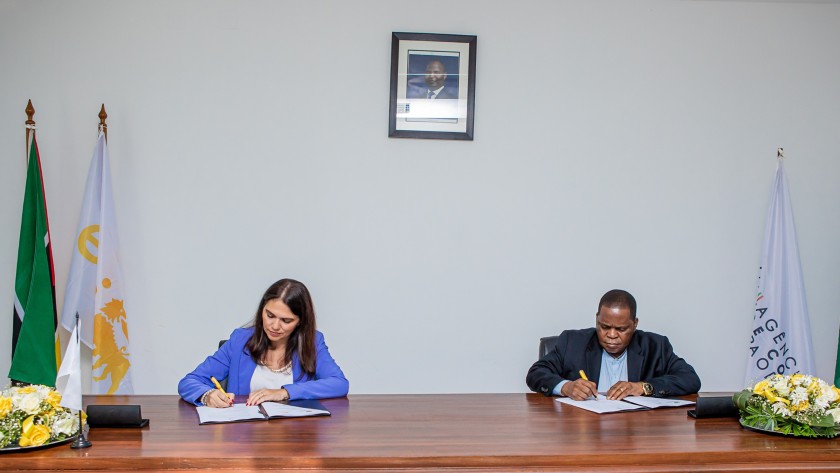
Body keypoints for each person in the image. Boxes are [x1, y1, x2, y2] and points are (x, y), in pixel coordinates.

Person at [178, 278, 349, 407]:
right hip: (244, 439)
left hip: (295, 439)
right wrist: (207, 395)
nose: (275, 326)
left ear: (300, 322)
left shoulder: (313, 342)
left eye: (286, 320)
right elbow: (189, 382)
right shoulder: (240, 341)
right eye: (270, 315)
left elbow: (339, 384)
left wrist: (284, 392)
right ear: (262, 311)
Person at [526, 289, 700, 400]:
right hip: (586, 433)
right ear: (597, 319)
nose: (611, 335)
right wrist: (566, 387)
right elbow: (536, 373)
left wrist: (642, 387)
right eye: (604, 326)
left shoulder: (656, 346)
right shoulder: (572, 342)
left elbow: (690, 379)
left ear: (635, 324)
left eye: (621, 329)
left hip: (635, 435)